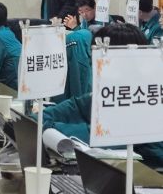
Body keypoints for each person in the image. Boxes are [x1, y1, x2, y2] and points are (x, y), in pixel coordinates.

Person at [43, 23, 163, 168]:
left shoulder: (143, 101)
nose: (93, 66)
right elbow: (45, 117)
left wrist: (50, 126)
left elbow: (95, 136)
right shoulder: (102, 95)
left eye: (100, 60)